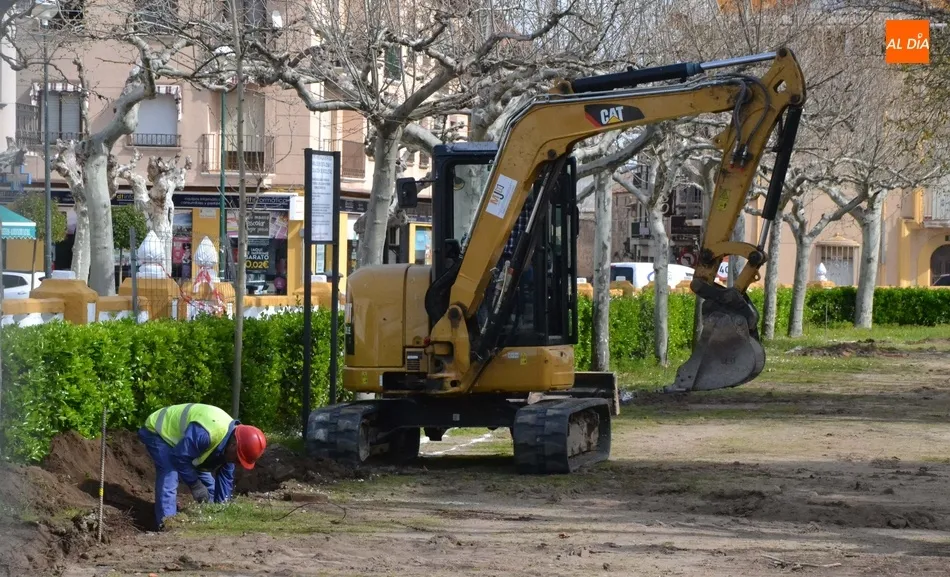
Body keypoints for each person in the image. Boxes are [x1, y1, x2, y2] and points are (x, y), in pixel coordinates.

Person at [138, 403, 267, 530]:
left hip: (186, 446)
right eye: (238, 459)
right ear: (234, 446)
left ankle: (210, 516)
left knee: (207, 485)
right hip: (159, 432)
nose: (238, 463)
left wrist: (222, 508)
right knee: (170, 473)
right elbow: (179, 457)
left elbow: (225, 478)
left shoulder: (232, 442)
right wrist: (195, 485)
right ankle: (167, 524)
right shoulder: (206, 434)